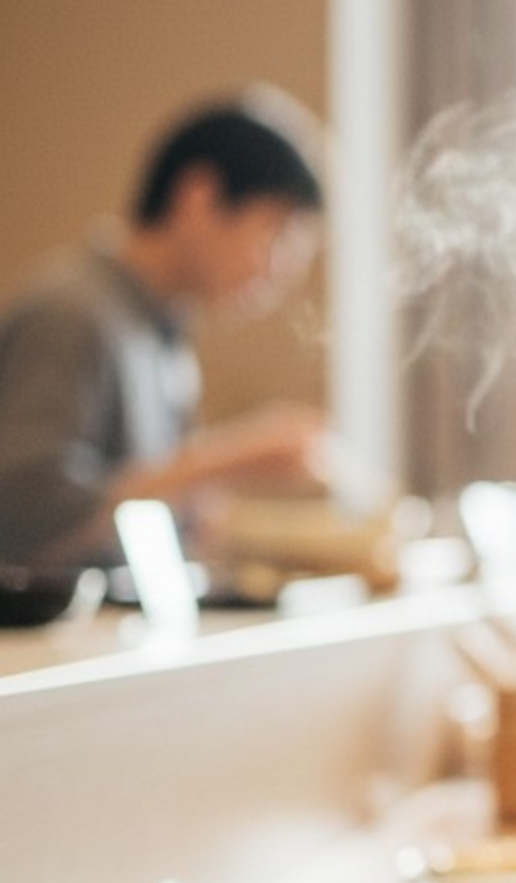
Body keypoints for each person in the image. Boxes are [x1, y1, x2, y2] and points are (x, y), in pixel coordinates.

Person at [0, 86, 329, 569]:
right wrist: (229, 459)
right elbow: (23, 517)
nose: (279, 271)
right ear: (200, 197)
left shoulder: (159, 328)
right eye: (275, 234)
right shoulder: (73, 312)